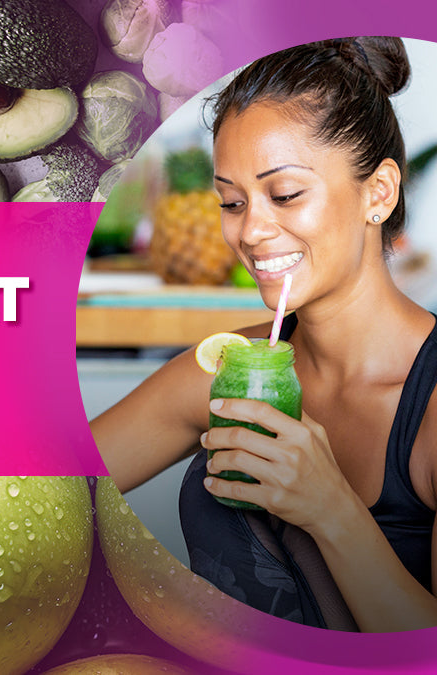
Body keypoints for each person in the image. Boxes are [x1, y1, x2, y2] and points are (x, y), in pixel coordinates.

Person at [91, 36, 437, 632]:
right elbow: (38, 487)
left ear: (378, 193)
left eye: (285, 195)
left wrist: (331, 509)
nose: (250, 232)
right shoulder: (226, 369)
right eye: (231, 202)